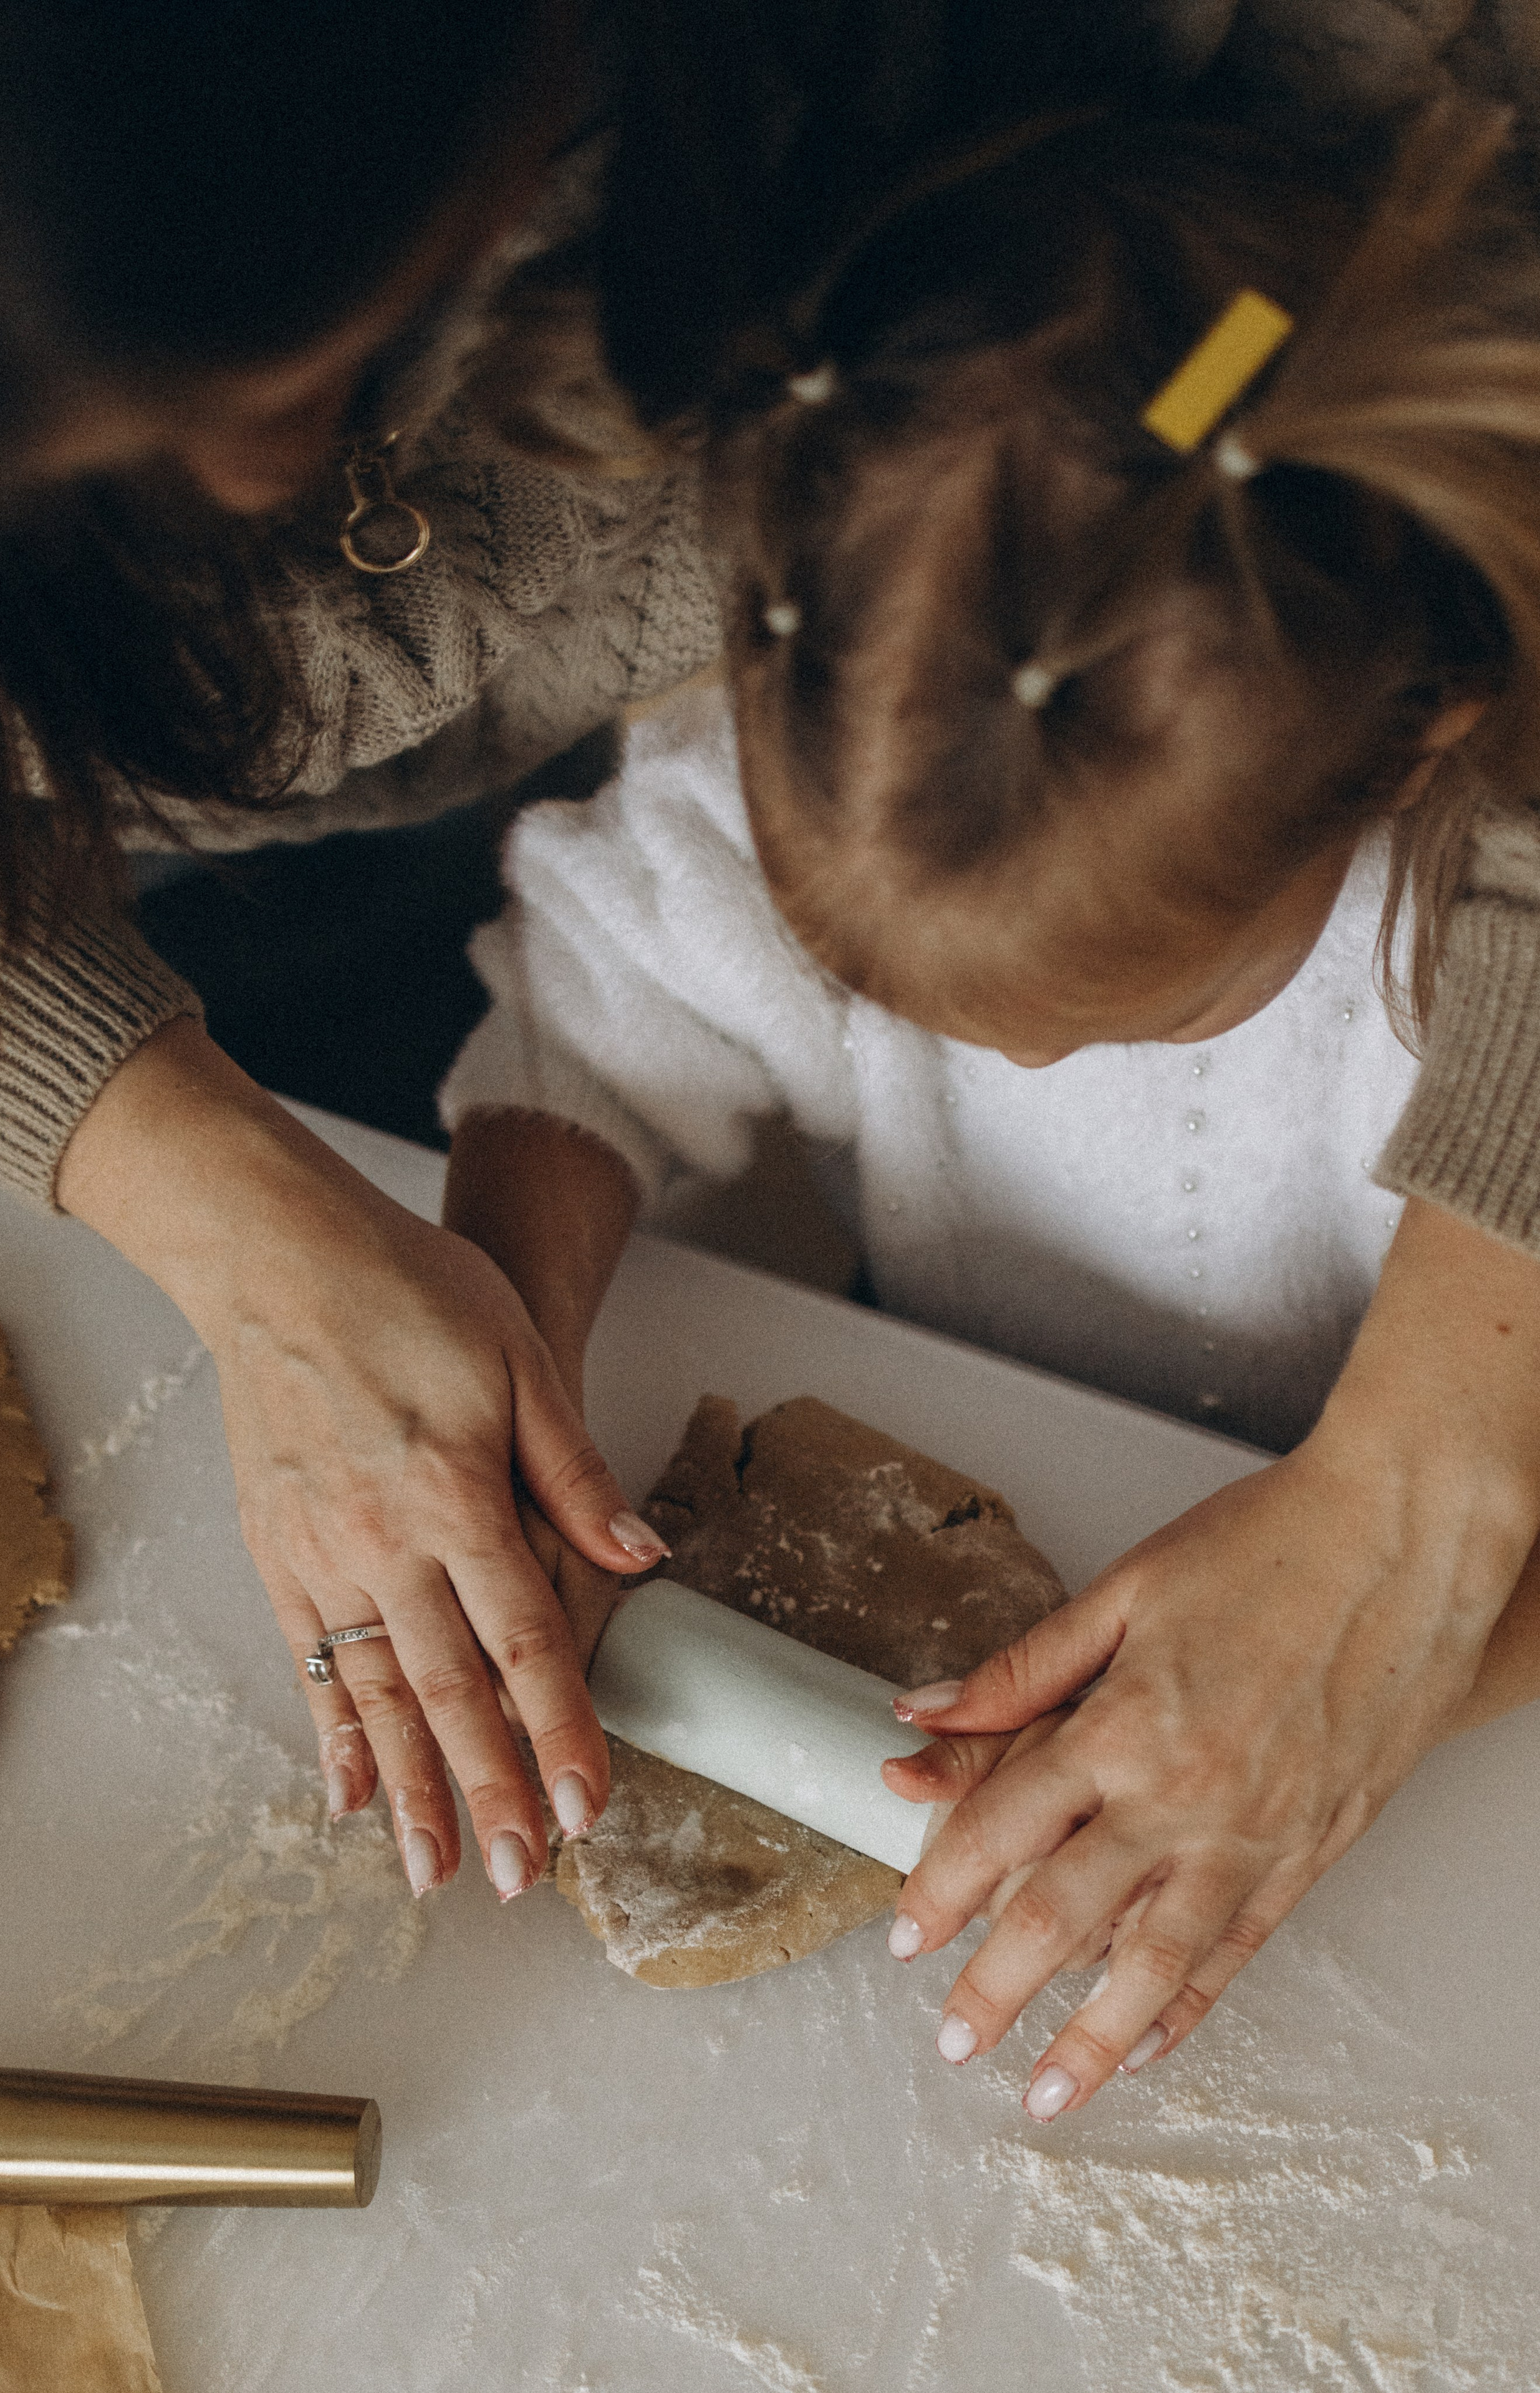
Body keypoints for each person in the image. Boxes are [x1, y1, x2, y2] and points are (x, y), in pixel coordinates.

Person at [434, 97, 1540, 2120]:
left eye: (1133, 1016)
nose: (1015, 1071)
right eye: (892, 999)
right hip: (994, 1450)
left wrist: (1377, 1687)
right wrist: (505, 1356)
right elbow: (591, 1019)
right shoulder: (857, 745)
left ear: (1410, 754)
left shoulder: (1477, 907)